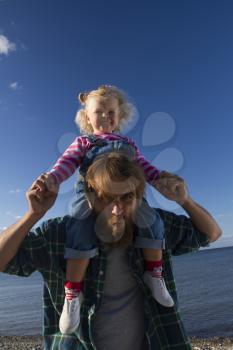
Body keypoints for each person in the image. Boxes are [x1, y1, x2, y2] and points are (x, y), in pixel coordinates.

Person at [0, 152, 221, 350]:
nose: (116, 210)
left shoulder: (155, 228)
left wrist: (184, 200)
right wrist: (32, 216)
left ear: (139, 197)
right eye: (106, 197)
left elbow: (212, 233)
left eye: (126, 197)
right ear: (89, 196)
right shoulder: (59, 234)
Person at [41, 84, 177, 334]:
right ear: (87, 116)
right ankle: (73, 292)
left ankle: (154, 273)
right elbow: (67, 163)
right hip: (92, 194)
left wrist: (159, 179)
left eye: (111, 112)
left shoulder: (128, 143)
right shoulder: (84, 141)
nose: (105, 117)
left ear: (120, 115)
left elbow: (145, 167)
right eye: (98, 112)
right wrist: (52, 179)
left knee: (152, 221)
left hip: (127, 193)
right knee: (79, 224)